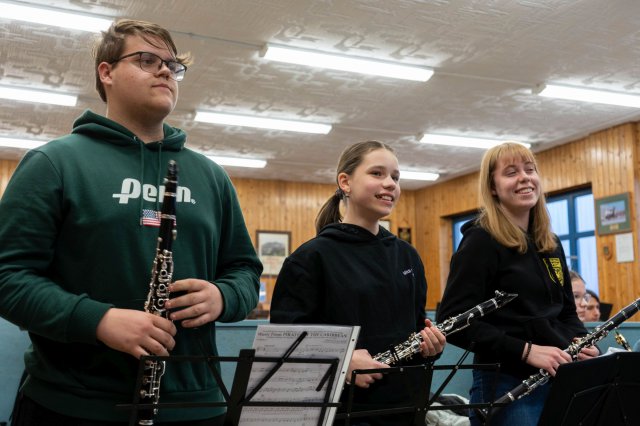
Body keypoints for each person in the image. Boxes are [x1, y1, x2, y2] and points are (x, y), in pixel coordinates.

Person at [0, 19, 262, 425]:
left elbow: (244, 270)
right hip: (74, 404)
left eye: (172, 65)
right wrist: (98, 320)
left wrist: (223, 296)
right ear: (106, 72)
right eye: (147, 60)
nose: (165, 71)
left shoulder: (211, 176)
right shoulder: (54, 163)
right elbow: (8, 277)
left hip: (196, 405)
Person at [270, 140, 446, 426]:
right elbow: (284, 341)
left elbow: (415, 328)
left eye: (395, 177)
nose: (390, 183)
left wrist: (431, 347)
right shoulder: (311, 258)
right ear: (345, 182)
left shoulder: (407, 256)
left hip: (405, 408)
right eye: (377, 173)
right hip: (341, 411)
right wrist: (341, 359)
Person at [436, 142, 598, 426]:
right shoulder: (481, 240)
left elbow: (565, 311)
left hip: (559, 376)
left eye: (530, 170)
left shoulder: (550, 243)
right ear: (493, 187)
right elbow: (452, 320)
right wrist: (526, 350)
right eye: (511, 172)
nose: (524, 178)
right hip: (506, 382)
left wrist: (580, 340)